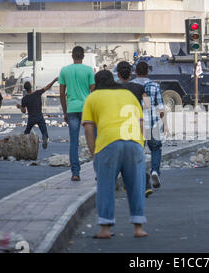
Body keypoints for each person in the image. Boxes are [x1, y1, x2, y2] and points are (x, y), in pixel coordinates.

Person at [82, 70, 147, 239]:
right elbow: (141, 121)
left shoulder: (93, 97)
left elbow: (88, 128)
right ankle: (138, 228)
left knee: (106, 186)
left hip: (109, 143)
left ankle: (105, 229)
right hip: (134, 142)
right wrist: (140, 143)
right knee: (136, 186)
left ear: (96, 84)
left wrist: (93, 152)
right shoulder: (128, 94)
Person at [116, 61, 153, 197]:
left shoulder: (114, 89)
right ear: (131, 73)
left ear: (118, 74)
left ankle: (131, 183)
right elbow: (148, 105)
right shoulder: (138, 87)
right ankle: (144, 183)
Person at [59, 46, 95, 181]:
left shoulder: (64, 71)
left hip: (72, 109)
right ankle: (98, 170)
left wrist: (65, 111)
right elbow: (93, 91)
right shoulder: (88, 70)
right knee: (93, 139)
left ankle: (75, 172)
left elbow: (62, 93)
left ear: (72, 56)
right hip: (87, 109)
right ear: (83, 56)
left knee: (73, 142)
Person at [132, 61, 166, 190]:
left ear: (136, 72)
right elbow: (160, 107)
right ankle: (155, 171)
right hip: (153, 123)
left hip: (136, 124)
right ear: (147, 72)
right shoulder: (154, 86)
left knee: (138, 150)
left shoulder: (131, 86)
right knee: (156, 148)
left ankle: (139, 176)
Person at [16, 78, 58, 149]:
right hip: (39, 116)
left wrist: (20, 107)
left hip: (31, 117)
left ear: (25, 89)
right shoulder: (37, 93)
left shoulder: (25, 99)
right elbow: (47, 87)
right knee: (44, 131)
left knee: (27, 132)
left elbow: (24, 111)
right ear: (31, 87)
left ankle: (24, 143)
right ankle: (44, 138)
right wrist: (54, 80)